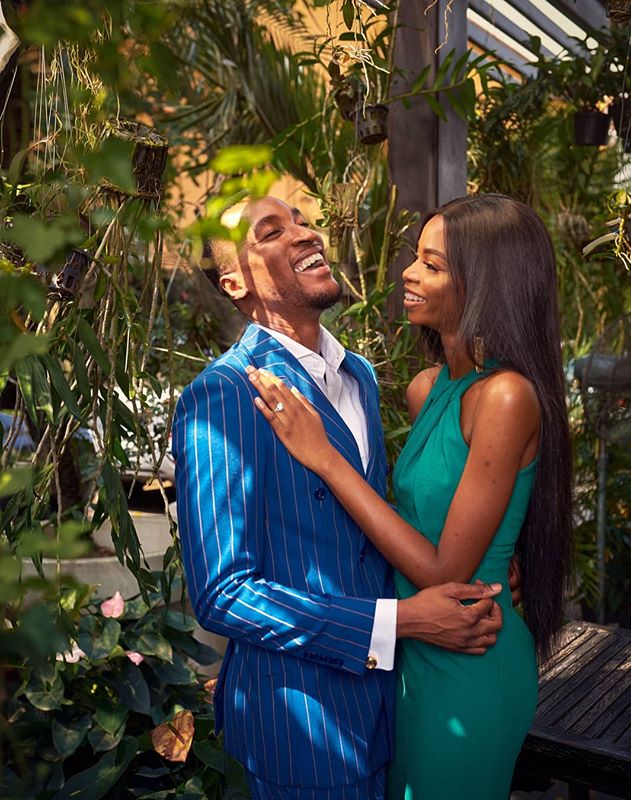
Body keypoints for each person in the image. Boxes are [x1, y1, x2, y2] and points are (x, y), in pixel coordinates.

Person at [172, 196, 509, 800]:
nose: (304, 234)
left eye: (301, 220)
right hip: (303, 727)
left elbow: (361, 528)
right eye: (271, 233)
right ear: (235, 283)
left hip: (394, 708)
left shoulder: (359, 375)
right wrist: (403, 621)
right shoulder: (225, 393)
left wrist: (481, 561)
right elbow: (223, 595)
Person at [247, 193, 573, 800]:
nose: (409, 274)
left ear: (486, 283)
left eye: (433, 264)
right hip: (414, 652)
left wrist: (324, 457)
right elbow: (418, 519)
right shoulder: (427, 389)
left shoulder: (506, 397)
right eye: (416, 257)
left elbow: (447, 569)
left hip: (469, 655)